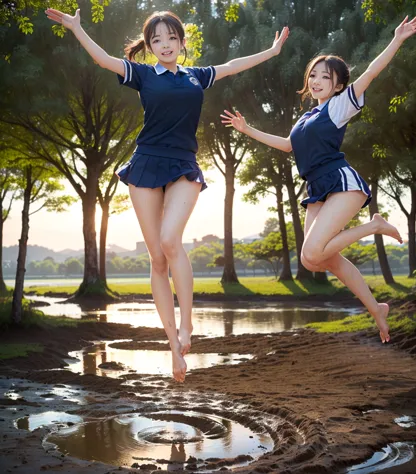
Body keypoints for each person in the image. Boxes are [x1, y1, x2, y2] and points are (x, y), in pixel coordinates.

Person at [45, 7, 289, 382]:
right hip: (145, 165)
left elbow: (233, 65)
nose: (163, 44)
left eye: (170, 38)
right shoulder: (142, 74)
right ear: (149, 45)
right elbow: (103, 59)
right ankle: (173, 342)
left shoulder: (196, 76)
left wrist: (271, 53)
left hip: (183, 166)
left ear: (181, 41)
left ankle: (188, 324)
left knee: (170, 239)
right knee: (158, 259)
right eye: (155, 39)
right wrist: (78, 28)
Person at [222, 13, 416, 344]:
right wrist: (247, 130)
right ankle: (377, 309)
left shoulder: (339, 106)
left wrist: (397, 39)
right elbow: (289, 146)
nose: (316, 80)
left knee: (315, 253)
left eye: (325, 77)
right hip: (317, 188)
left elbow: (371, 72)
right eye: (313, 74)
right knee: (314, 259)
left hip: (341, 183)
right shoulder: (306, 116)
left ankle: (374, 226)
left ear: (338, 85)